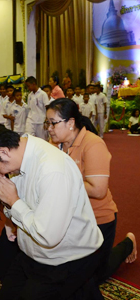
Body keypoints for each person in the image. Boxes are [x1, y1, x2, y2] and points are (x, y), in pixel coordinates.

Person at [0, 127, 104, 299]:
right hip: (32, 252)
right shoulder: (20, 155)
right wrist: (10, 205)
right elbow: (20, 207)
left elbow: (48, 236)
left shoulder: (52, 170)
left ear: (3, 152)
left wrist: (13, 202)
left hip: (66, 259)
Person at [46, 98, 137, 284]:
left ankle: (128, 243)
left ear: (70, 123)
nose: (49, 128)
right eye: (47, 123)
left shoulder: (93, 144)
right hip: (68, 218)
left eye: (53, 123)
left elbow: (98, 190)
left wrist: (62, 182)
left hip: (97, 219)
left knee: (93, 279)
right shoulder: (55, 144)